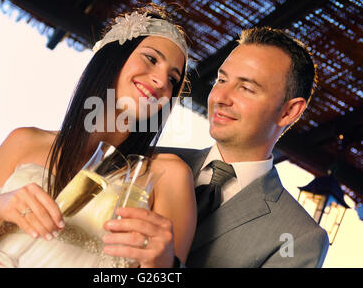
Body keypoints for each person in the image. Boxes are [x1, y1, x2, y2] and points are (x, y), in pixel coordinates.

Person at [0, 4, 197, 268]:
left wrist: (163, 265)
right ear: (113, 57)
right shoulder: (24, 142)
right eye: (151, 59)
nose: (162, 81)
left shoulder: (168, 175)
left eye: (173, 79)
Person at [105, 26, 329, 267]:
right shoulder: (148, 160)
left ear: (289, 111)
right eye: (221, 80)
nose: (220, 97)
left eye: (246, 88)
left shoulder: (300, 237)